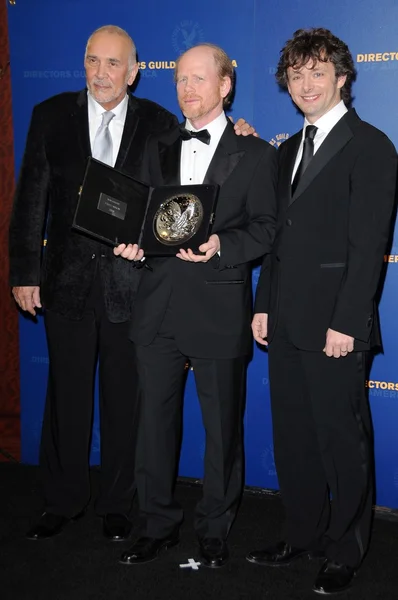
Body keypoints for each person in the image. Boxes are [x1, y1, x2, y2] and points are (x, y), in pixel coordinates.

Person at [9, 25, 254, 542]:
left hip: (134, 285)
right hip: (67, 284)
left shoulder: (163, 123)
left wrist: (242, 135)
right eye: (92, 61)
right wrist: (24, 272)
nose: (101, 72)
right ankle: (62, 499)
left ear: (135, 72)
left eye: (113, 63)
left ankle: (118, 505)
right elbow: (31, 199)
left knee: (127, 403)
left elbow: (199, 180)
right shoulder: (50, 115)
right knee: (66, 399)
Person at [114, 43, 277, 568]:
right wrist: (130, 244)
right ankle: (155, 524)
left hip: (218, 305)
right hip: (156, 306)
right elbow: (136, 215)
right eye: (181, 79)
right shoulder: (156, 145)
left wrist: (222, 245)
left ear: (224, 85)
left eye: (198, 79)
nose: (187, 89)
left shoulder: (257, 154)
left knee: (222, 430)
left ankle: (214, 529)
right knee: (153, 429)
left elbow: (268, 228)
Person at [247, 28, 397, 595]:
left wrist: (347, 323)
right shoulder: (287, 150)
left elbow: (368, 248)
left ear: (342, 78)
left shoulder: (372, 146)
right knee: (294, 440)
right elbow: (277, 241)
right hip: (284, 320)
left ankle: (346, 549)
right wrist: (263, 306)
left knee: (342, 443)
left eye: (318, 72)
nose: (305, 83)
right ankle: (302, 533)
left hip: (336, 325)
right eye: (296, 73)